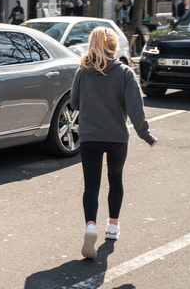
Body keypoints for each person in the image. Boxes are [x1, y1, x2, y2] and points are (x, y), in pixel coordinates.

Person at [70, 27, 157, 260]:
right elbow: (136, 110)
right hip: (117, 136)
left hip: (89, 136)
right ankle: (113, 226)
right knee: (115, 179)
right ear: (113, 46)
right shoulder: (125, 73)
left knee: (91, 185)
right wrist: (146, 135)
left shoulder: (82, 71)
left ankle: (90, 225)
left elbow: (74, 102)